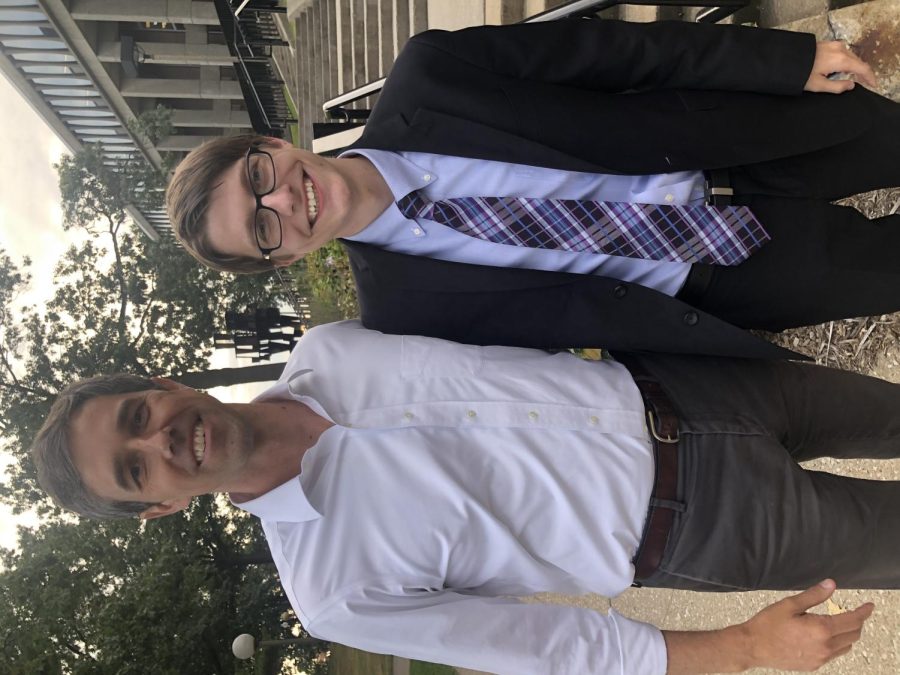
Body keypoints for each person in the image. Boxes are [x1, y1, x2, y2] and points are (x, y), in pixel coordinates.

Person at [33, 320, 900, 674]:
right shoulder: (333, 589)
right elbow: (556, 645)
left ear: (161, 381)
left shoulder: (332, 345)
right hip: (703, 524)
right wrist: (748, 647)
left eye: (138, 417)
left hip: (696, 387)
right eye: (136, 467)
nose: (161, 440)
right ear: (159, 508)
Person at [166, 18, 898, 359]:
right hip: (723, 280)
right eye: (264, 229)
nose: (286, 202)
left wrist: (781, 62)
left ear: (269, 145)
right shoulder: (402, 314)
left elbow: (621, 54)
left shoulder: (431, 74)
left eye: (258, 178)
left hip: (742, 138)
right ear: (281, 259)